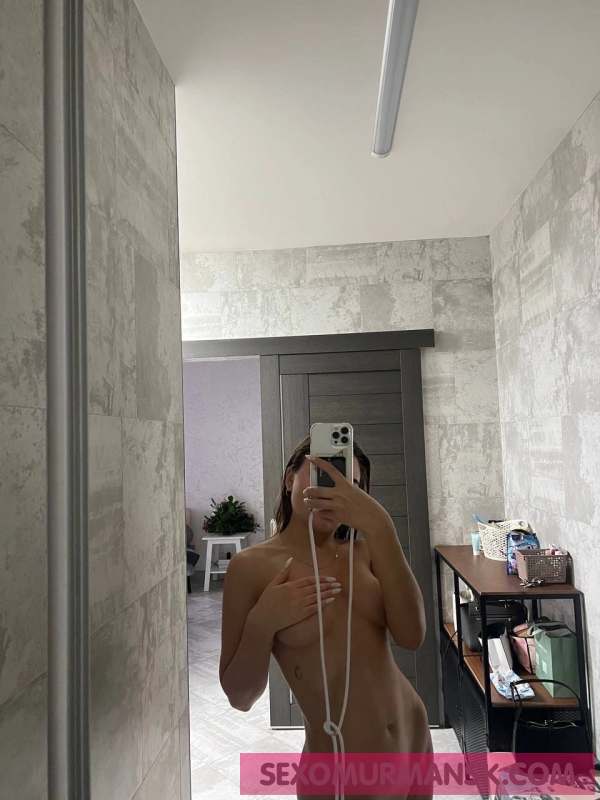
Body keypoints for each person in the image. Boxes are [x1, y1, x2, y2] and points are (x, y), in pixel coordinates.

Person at [219, 436, 432, 798]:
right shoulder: (251, 568)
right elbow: (240, 698)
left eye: (351, 485)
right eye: (325, 475)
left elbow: (412, 636)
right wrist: (261, 624)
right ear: (290, 479)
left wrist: (381, 527)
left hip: (415, 739)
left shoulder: (365, 552)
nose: (336, 491)